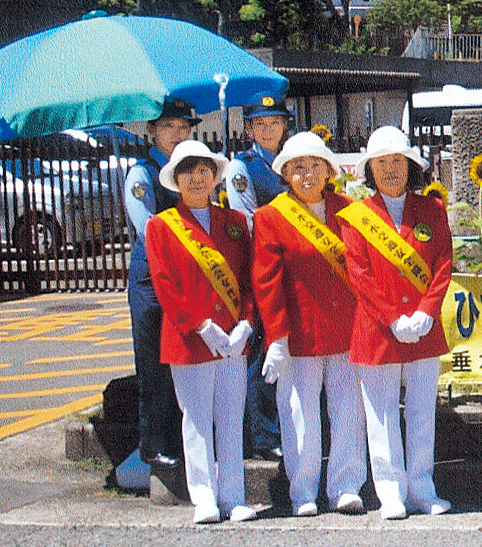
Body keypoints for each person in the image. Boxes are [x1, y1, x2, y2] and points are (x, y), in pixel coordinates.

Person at [340, 126, 454, 520]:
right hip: (377, 330)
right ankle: (390, 492)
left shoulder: (432, 211)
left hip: (424, 328)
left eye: (397, 161)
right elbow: (359, 273)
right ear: (370, 169)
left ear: (410, 166)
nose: (390, 169)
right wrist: (394, 317)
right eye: (382, 162)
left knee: (422, 412)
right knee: (382, 415)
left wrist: (425, 311)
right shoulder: (354, 217)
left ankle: (423, 488)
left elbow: (442, 264)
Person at [252, 131, 367, 517]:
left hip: (346, 328)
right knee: (299, 412)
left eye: (314, 166)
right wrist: (276, 338)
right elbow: (266, 282)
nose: (306, 174)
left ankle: (346, 486)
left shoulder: (347, 209)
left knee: (348, 408)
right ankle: (303, 491)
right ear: (284, 173)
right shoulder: (270, 216)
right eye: (297, 167)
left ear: (328, 170)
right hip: (298, 333)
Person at [144, 140, 257, 524]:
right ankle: (204, 497)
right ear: (176, 179)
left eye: (204, 169)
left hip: (233, 339)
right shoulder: (161, 226)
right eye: (188, 170)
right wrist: (201, 325)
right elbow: (164, 284)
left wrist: (246, 324)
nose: (197, 177)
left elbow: (247, 280)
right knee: (195, 421)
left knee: (230, 418)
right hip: (190, 339)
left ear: (215, 176)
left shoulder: (236, 223)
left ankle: (234, 495)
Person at [123, 98, 199, 471]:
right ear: (151, 130)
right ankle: (153, 444)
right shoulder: (142, 174)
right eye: (170, 127)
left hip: (188, 277)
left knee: (185, 361)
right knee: (154, 361)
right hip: (153, 276)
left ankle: (183, 442)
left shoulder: (197, 170)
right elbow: (148, 229)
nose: (178, 135)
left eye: (185, 129)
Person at [223, 97, 291, 459]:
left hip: (293, 270)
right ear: (248, 129)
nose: (268, 130)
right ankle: (265, 437)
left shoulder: (291, 162)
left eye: (274, 122)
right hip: (262, 268)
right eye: (260, 124)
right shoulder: (243, 168)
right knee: (264, 353)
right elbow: (247, 222)